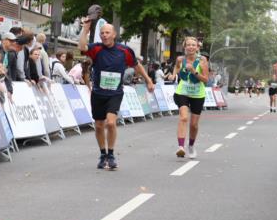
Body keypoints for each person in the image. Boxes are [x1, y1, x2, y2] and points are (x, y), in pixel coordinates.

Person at [79, 16, 154, 170]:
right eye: (102, 33)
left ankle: (111, 154)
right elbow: (82, 47)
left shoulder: (124, 51)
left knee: (111, 122)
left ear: (114, 34)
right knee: (99, 125)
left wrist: (148, 80)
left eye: (107, 32)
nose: (104, 35)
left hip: (115, 93)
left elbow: (136, 66)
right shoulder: (96, 49)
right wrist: (86, 29)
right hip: (98, 93)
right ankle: (102, 154)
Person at [171, 36, 210, 159]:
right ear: (185, 46)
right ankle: (181, 147)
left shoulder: (202, 60)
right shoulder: (180, 59)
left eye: (193, 45)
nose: (191, 47)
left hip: (198, 94)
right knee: (183, 117)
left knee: (193, 125)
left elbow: (205, 80)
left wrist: (194, 71)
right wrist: (173, 75)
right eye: (188, 45)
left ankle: (191, 146)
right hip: (182, 92)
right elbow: (177, 67)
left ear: (197, 47)